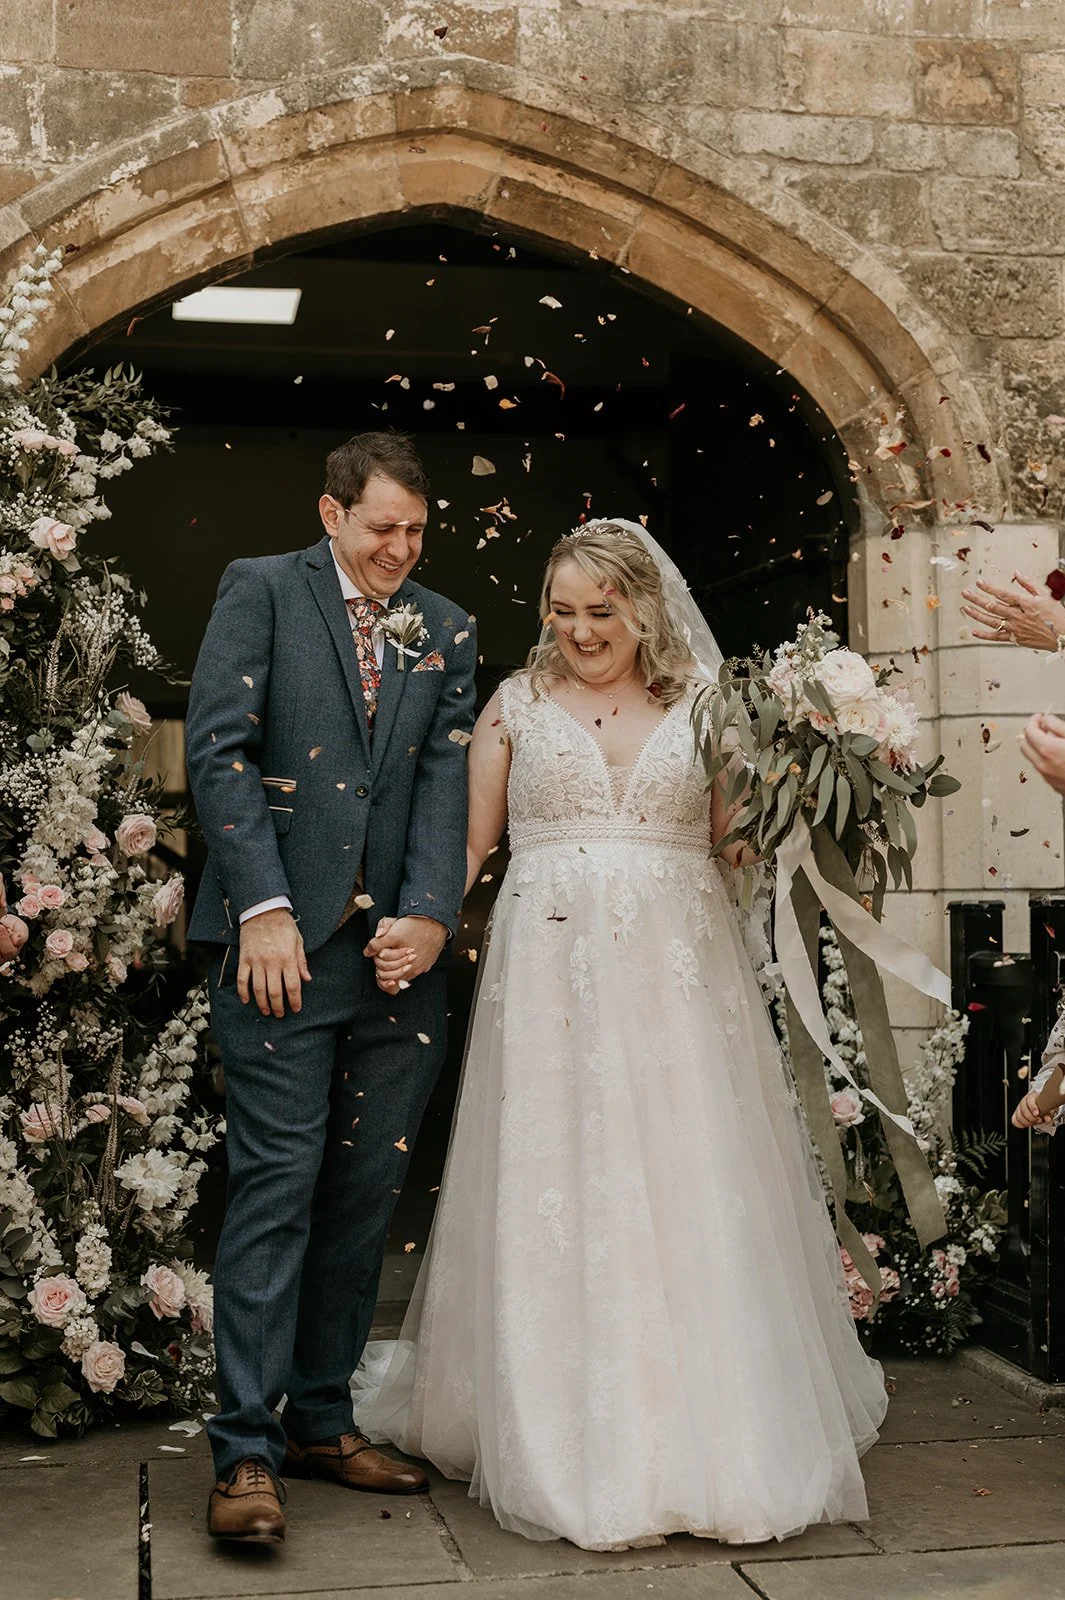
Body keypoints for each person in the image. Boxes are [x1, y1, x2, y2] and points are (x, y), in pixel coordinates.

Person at [355, 520, 887, 1551]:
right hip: (549, 978)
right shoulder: (513, 704)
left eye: (601, 610)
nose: (580, 628)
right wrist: (420, 923)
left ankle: (708, 1427)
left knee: (685, 1178)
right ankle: (549, 1420)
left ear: (645, 606)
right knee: (562, 1177)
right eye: (562, 608)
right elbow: (471, 843)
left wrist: (814, 777)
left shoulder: (706, 707)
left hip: (678, 984)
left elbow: (736, 848)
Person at [184, 431, 476, 1545]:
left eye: (417, 529)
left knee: (364, 1200)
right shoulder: (261, 590)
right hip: (280, 951)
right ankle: (245, 1451)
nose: (401, 548)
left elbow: (446, 776)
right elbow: (218, 751)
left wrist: (431, 917)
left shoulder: (444, 626)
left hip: (394, 962)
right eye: (382, 526)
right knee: (275, 1189)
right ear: (330, 513)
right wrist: (259, 907)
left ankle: (321, 1418)